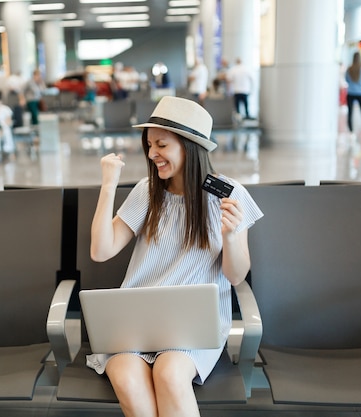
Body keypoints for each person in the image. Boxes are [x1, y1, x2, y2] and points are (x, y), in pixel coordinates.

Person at [88, 96, 263, 417]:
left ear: (189, 147)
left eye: (162, 145)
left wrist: (231, 234)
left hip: (192, 329)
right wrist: (109, 184)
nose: (152, 153)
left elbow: (236, 276)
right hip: (135, 323)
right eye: (150, 145)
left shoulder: (229, 194)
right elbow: (101, 251)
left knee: (169, 374)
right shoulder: (147, 191)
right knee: (127, 378)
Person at [345, 51, 361, 134]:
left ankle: (351, 132)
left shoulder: (349, 69)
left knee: (350, 113)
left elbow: (347, 80)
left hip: (351, 93)